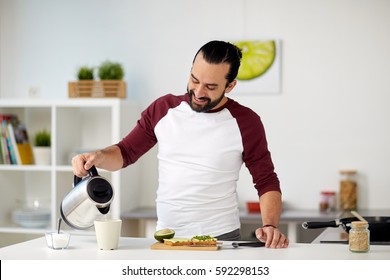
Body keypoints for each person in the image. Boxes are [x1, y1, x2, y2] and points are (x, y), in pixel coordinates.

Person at [72, 40, 289, 249]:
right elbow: (125, 152)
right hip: (168, 237)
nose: (199, 92)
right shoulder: (163, 109)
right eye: (194, 80)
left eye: (211, 86)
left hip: (220, 238)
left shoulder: (246, 122)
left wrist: (270, 225)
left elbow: (266, 180)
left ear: (230, 86)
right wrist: (98, 156)